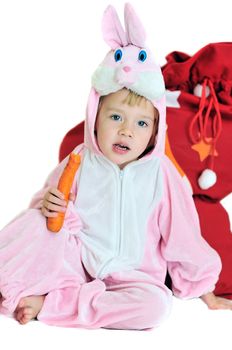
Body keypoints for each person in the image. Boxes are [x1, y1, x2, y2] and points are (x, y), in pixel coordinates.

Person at [0, 3, 231, 329]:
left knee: (156, 308)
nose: (126, 130)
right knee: (34, 225)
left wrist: (202, 287)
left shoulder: (162, 174)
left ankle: (53, 305)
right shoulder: (80, 160)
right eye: (116, 117)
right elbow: (49, 209)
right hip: (76, 266)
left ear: (155, 130)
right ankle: (49, 289)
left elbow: (184, 236)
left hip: (135, 278)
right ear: (95, 118)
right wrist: (51, 205)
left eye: (140, 124)